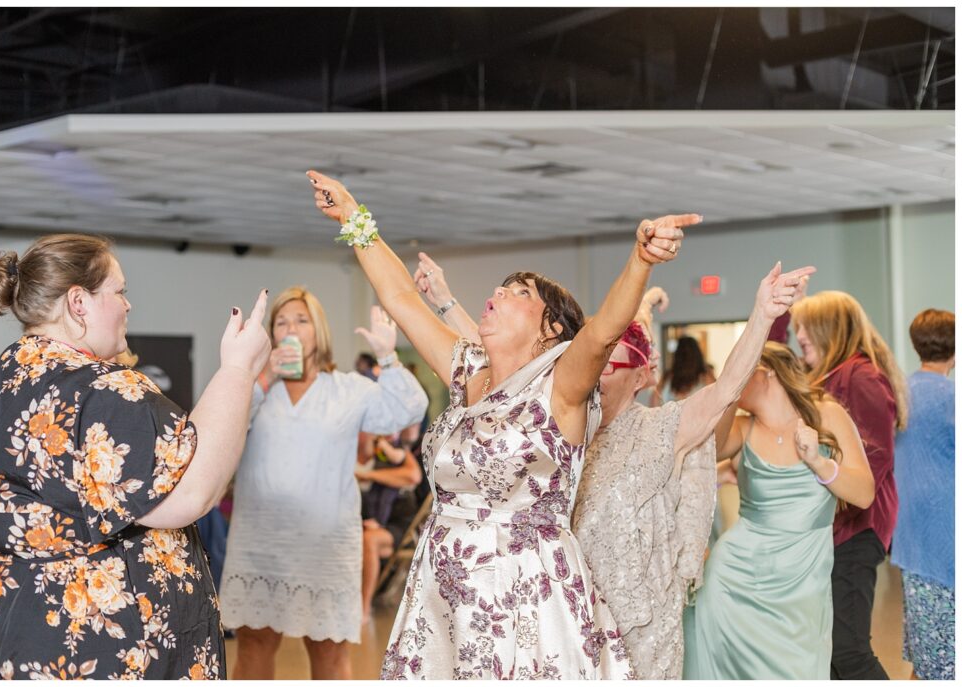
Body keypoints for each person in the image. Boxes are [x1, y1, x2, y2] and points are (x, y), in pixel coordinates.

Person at [306, 168, 697, 679]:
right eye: (503, 285)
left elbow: (601, 333)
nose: (499, 290)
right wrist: (356, 218)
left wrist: (640, 260)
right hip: (443, 584)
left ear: (550, 328)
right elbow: (402, 299)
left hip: (524, 593)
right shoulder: (467, 368)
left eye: (519, 291)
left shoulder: (561, 385)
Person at [419, 256, 815, 678]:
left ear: (641, 376)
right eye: (593, 362)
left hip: (643, 626)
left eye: (609, 365)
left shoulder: (662, 429)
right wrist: (445, 303)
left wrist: (763, 316)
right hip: (558, 616)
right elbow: (496, 364)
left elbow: (726, 389)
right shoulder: (551, 427)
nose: (597, 373)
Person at [0, 234, 271, 680]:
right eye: (119, 291)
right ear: (79, 303)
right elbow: (189, 493)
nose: (127, 305)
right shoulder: (102, 388)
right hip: (86, 646)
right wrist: (238, 369)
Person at [218, 287, 428, 680]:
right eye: (281, 322)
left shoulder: (347, 389)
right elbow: (220, 428)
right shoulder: (255, 388)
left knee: (330, 656)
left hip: (325, 548)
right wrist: (262, 379)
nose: (291, 328)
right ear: (271, 334)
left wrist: (388, 357)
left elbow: (407, 409)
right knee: (254, 649)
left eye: (301, 320)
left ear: (319, 331)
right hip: (261, 543)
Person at [683, 342, 875, 679]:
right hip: (734, 582)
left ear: (767, 369)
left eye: (743, 368)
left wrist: (818, 462)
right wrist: (728, 389)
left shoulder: (826, 414)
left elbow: (864, 494)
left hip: (802, 587)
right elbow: (706, 449)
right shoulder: (743, 428)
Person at [791, 290, 908, 680]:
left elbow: (875, 458)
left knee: (848, 649)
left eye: (805, 327)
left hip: (858, 529)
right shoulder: (830, 375)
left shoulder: (861, 376)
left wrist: (825, 474)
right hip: (839, 529)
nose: (799, 335)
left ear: (830, 329)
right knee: (831, 651)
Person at [891, 309, 955, 681]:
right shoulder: (952, 398)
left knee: (925, 647)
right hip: (947, 533)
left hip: (911, 534)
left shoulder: (899, 393)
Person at [357, 433, 423, 624]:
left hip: (395, 521)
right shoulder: (347, 450)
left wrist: (367, 475)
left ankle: (364, 606)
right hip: (362, 517)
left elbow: (413, 476)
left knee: (369, 540)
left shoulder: (392, 449)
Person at [653, 336, 715, 405]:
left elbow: (654, 404)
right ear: (697, 355)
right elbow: (717, 401)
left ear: (677, 355)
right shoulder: (706, 376)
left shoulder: (667, 377)